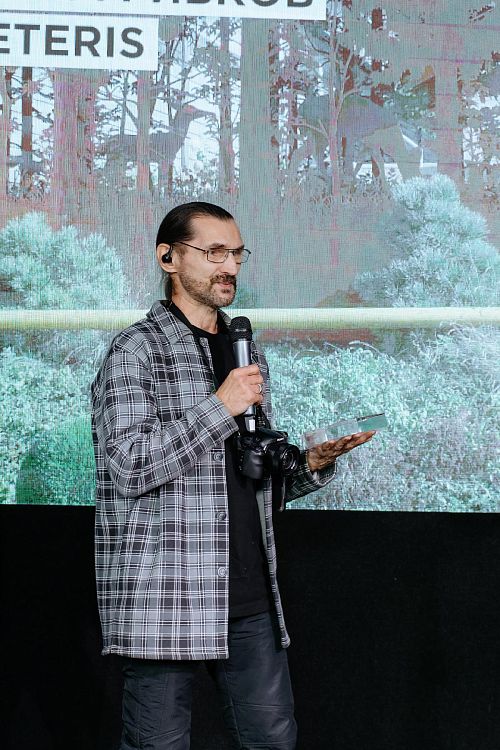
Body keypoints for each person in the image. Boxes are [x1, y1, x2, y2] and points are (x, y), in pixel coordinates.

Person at [91, 201, 375, 750]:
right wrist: (221, 406)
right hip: (165, 593)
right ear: (168, 258)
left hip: (248, 596)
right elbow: (129, 465)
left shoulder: (245, 351)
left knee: (272, 741)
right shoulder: (135, 350)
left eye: (237, 254)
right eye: (214, 252)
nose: (229, 267)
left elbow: (248, 476)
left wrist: (312, 463)